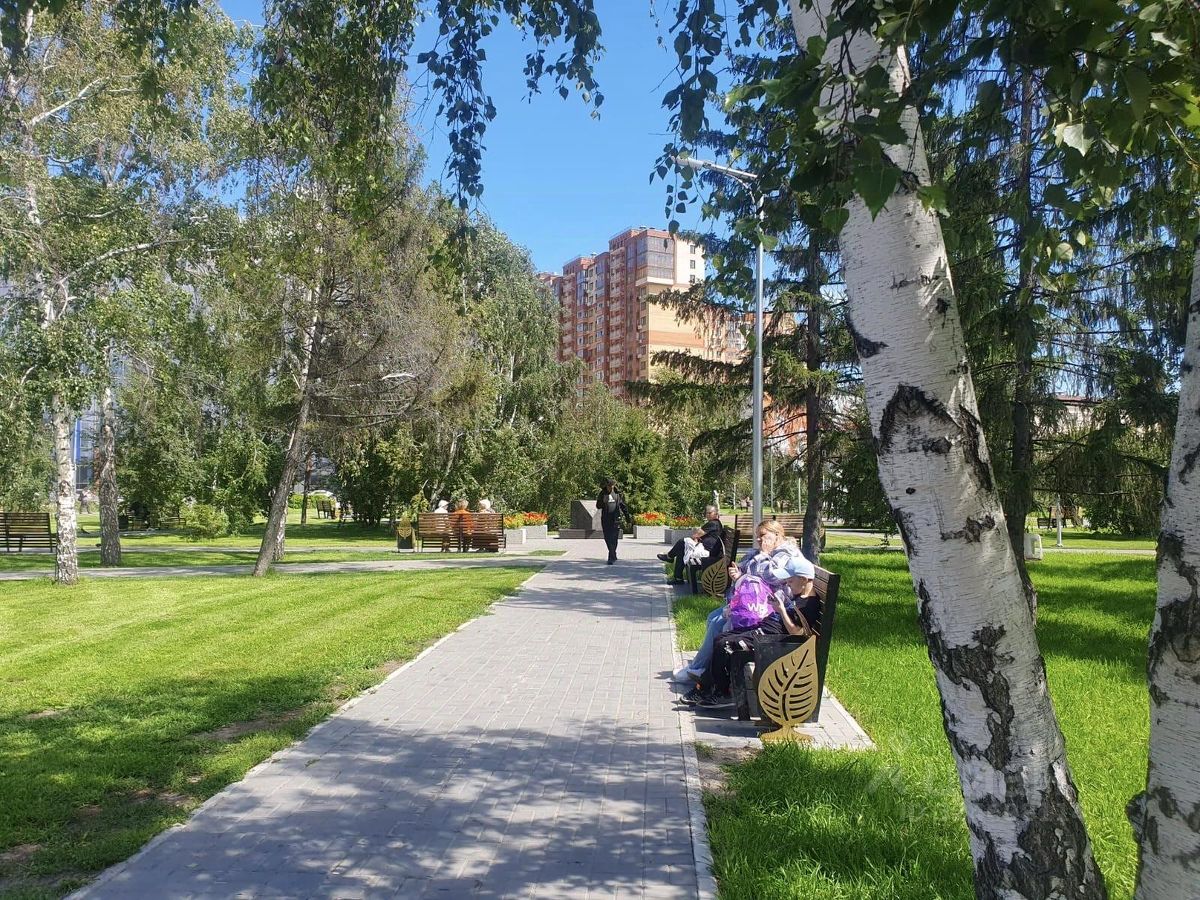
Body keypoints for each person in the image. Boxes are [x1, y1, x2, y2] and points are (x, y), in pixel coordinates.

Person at [671, 520, 803, 686]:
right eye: (757, 536)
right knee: (713, 617)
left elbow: (771, 575)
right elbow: (746, 567)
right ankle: (704, 666)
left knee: (718, 623)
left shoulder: (786, 553)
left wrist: (759, 558)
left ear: (777, 535)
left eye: (763, 535)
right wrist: (743, 570)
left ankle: (700, 668)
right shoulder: (772, 551)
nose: (759, 539)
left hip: (771, 610)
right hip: (759, 604)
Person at [684, 554, 821, 709]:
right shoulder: (799, 594)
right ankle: (707, 688)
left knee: (725, 645)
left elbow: (797, 633)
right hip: (765, 629)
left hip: (773, 640)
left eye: (790, 581)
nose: (787, 584)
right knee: (720, 638)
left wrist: (781, 610)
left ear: (804, 579)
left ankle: (719, 693)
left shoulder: (809, 604)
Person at [657, 505, 724, 584]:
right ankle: (678, 578)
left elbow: (696, 534)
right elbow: (698, 536)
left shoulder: (713, 523)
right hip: (709, 550)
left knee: (682, 542)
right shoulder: (716, 523)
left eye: (710, 513)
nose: (708, 515)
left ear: (716, 513)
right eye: (707, 513)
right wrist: (697, 538)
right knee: (682, 548)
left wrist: (696, 537)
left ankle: (670, 557)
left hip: (708, 553)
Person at [595, 478, 631, 564]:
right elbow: (598, 506)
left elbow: (623, 506)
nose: (610, 488)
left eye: (611, 486)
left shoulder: (618, 494)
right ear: (606, 486)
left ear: (613, 485)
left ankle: (611, 557)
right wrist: (603, 502)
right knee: (607, 538)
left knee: (614, 538)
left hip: (616, 519)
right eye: (608, 486)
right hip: (606, 519)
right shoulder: (602, 493)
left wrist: (628, 519)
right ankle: (613, 554)